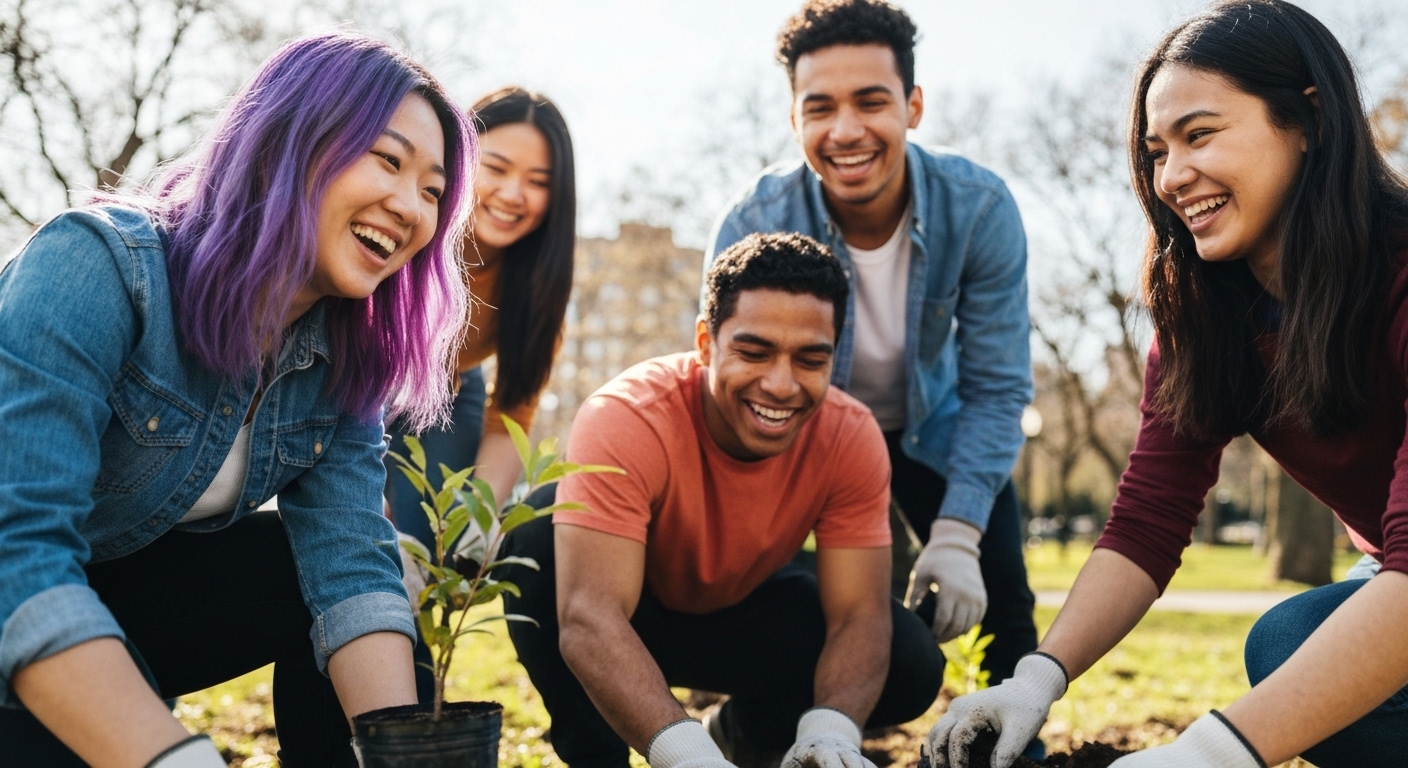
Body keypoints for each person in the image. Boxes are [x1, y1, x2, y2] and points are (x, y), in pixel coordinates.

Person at [925, 2, 1408, 767]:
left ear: (1308, 120)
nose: (1173, 177)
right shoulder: (1207, 318)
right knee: (1295, 643)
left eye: (1200, 134)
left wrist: (1207, 755)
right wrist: (1034, 680)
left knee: (1290, 644)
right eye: (1156, 151)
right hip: (1393, 568)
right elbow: (1147, 522)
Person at [0, 32, 476, 768]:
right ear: (289, 142)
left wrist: (400, 755)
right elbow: (17, 547)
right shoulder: (97, 267)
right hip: (21, 597)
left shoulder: (346, 357)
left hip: (116, 599)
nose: (411, 206)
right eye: (388, 160)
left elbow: (350, 566)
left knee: (321, 577)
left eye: (433, 191)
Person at [500, 233, 944, 768]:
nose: (781, 385)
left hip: (742, 619)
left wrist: (832, 731)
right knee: (537, 533)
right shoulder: (628, 415)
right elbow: (591, 618)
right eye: (753, 353)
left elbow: (858, 616)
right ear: (706, 344)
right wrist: (688, 757)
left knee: (908, 658)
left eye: (810, 359)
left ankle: (742, 736)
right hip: (629, 617)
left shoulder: (849, 435)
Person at [705, 0, 1038, 712]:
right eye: (819, 107)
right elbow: (721, 374)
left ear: (913, 106)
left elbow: (996, 386)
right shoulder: (754, 220)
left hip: (935, 428)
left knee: (1004, 593)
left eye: (871, 102)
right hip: (801, 429)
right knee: (801, 602)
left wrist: (958, 533)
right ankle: (759, 729)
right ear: (793, 118)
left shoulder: (979, 209)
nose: (846, 130)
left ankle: (1012, 740)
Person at [381, 86, 574, 701]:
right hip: (362, 376)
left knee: (426, 554)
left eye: (538, 182)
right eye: (497, 168)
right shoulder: (407, 226)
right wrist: (367, 506)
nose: (514, 194)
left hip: (448, 390)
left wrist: (481, 518)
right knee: (370, 548)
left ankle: (411, 714)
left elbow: (510, 414)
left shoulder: (536, 283)